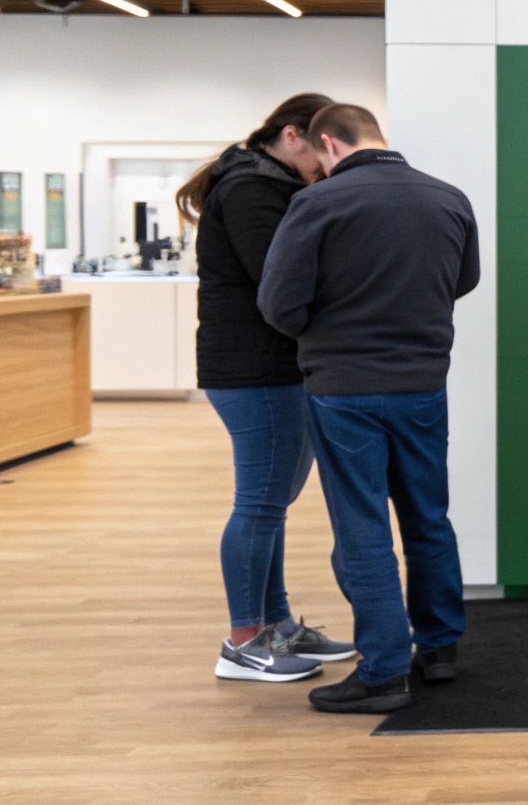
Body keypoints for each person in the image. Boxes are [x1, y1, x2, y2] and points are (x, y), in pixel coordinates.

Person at [257, 103, 480, 714]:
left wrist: (328, 323)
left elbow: (278, 303)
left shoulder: (317, 204)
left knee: (362, 526)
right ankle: (439, 648)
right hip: (422, 383)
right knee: (428, 517)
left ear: (328, 142)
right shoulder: (448, 198)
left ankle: (383, 671)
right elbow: (465, 280)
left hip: (343, 386)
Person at [176, 93, 355, 683]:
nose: (325, 167)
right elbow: (281, 279)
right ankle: (244, 640)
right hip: (255, 368)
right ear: (291, 135)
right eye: (320, 152)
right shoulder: (253, 189)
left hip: (268, 367)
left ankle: (274, 625)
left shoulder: (266, 184)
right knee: (259, 502)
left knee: (270, 503)